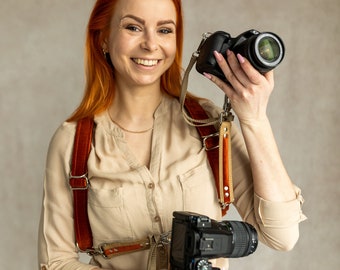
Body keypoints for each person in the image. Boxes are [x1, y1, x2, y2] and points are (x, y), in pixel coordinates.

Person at [38, 0, 306, 269]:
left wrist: (254, 119)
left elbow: (282, 236)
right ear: (103, 38)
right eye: (133, 27)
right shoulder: (72, 142)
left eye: (165, 30)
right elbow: (55, 263)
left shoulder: (208, 126)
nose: (151, 44)